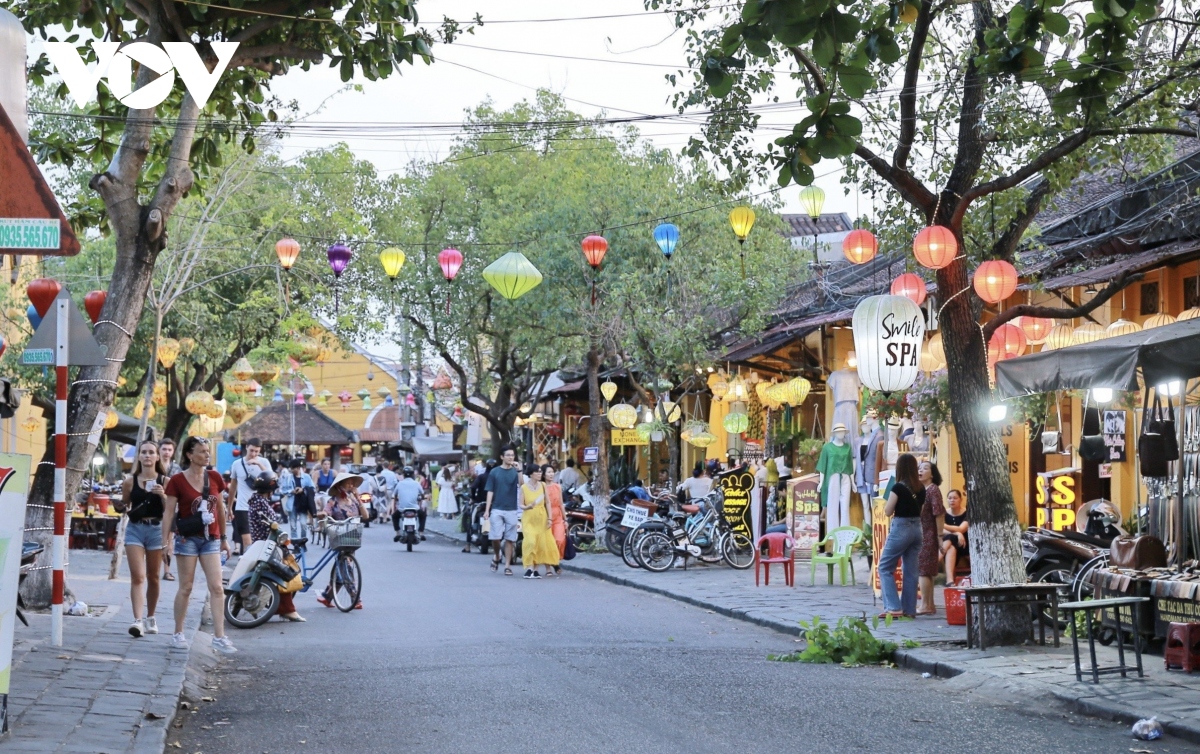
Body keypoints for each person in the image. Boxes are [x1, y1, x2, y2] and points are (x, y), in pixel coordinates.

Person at [162, 437, 237, 654]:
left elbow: (220, 509)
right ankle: (178, 632)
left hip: (211, 539)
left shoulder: (214, 477)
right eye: (202, 451)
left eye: (207, 451)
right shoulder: (177, 480)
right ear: (189, 455)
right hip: (187, 540)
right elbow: (169, 512)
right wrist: (165, 541)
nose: (207, 455)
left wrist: (224, 538)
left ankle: (219, 636)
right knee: (186, 587)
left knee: (216, 587)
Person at [119, 440, 167, 638]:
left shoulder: (166, 481)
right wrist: (120, 506)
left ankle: (151, 617)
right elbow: (124, 504)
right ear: (139, 456)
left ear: (157, 457)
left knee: (154, 577)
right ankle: (137, 620)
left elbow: (171, 510)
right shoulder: (130, 481)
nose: (147, 456)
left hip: (156, 529)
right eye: (144, 452)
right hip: (135, 529)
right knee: (138, 576)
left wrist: (163, 495)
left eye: (151, 452)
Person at [246, 471, 305, 622]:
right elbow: (272, 525)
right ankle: (288, 610)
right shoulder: (260, 502)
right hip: (268, 545)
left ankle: (282, 607)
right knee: (286, 573)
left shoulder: (256, 500)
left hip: (265, 544)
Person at [877, 453, 925, 620]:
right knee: (911, 570)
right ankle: (909, 609)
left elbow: (888, 511)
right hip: (917, 529)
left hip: (901, 528)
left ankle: (893, 607)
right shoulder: (921, 488)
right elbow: (921, 510)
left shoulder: (897, 488)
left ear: (899, 468)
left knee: (884, 567)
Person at [316, 471, 369, 609]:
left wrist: (358, 496)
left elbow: (366, 515)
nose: (351, 485)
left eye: (352, 483)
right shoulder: (333, 500)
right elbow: (326, 512)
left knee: (342, 566)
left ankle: (327, 596)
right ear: (340, 485)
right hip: (339, 536)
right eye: (348, 483)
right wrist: (322, 514)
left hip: (352, 537)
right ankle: (355, 597)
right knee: (346, 566)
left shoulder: (353, 500)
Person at [229, 439, 272, 556]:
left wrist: (259, 464)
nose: (253, 454)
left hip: (261, 506)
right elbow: (232, 488)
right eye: (251, 450)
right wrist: (229, 508)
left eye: (256, 451)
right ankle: (247, 569)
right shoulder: (237, 464)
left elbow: (273, 479)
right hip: (242, 507)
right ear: (246, 447)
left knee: (261, 541)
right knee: (247, 542)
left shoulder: (264, 462)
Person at [485, 445, 522, 576]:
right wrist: (487, 509)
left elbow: (522, 485)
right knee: (495, 537)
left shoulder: (515, 471)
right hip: (497, 508)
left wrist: (519, 471)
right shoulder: (494, 472)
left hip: (512, 509)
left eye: (512, 455)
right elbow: (490, 490)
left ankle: (507, 565)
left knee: (510, 539)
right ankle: (496, 555)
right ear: (502, 457)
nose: (511, 457)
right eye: (508, 455)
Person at [519, 464, 560, 578]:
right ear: (531, 474)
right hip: (529, 517)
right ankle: (528, 567)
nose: (539, 474)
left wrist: (550, 518)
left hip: (542, 517)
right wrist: (528, 507)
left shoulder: (542, 485)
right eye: (537, 472)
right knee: (530, 541)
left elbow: (548, 502)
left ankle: (535, 570)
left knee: (540, 543)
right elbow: (521, 505)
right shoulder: (524, 487)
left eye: (540, 472)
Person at [917, 460, 946, 616]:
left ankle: (925, 605)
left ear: (932, 474)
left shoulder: (932, 490)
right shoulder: (923, 490)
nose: (920, 470)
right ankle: (930, 604)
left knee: (923, 571)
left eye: (925, 468)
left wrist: (940, 536)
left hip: (928, 535)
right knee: (926, 571)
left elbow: (939, 513)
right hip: (923, 533)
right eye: (919, 468)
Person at [158, 438, 181, 582]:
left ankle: (167, 570)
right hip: (154, 506)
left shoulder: (177, 469)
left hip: (171, 507)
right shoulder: (153, 467)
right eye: (164, 449)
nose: (166, 452)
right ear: (159, 450)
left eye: (169, 450)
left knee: (169, 539)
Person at [277, 459, 316, 541]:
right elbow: (282, 490)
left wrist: (303, 490)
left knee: (303, 524)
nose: (291, 470)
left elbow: (313, 489)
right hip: (292, 503)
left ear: (298, 468)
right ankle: (295, 543)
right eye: (290, 468)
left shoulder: (306, 477)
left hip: (303, 504)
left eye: (292, 468)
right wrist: (291, 491)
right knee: (293, 525)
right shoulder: (288, 478)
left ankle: (303, 541)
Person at [941, 489, 969, 586]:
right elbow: (940, 531)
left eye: (955, 498)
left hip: (965, 544)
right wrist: (957, 533)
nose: (952, 500)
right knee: (952, 545)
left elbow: (962, 529)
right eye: (949, 498)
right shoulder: (944, 513)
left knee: (951, 539)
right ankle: (950, 581)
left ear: (960, 500)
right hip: (952, 544)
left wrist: (943, 525)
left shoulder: (967, 513)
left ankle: (936, 559)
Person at [391, 466, 423, 541]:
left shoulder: (400, 483)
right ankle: (421, 533)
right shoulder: (417, 483)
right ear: (412, 475)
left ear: (404, 475)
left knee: (394, 516)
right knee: (423, 515)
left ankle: (397, 533)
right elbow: (422, 494)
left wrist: (396, 500)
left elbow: (394, 495)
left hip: (402, 508)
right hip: (415, 508)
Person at [544, 465, 566, 570]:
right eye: (548, 472)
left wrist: (565, 519)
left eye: (552, 472)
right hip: (545, 517)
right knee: (548, 542)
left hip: (557, 516)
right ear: (543, 474)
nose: (551, 474)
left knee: (560, 540)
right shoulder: (541, 487)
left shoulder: (558, 487)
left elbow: (561, 504)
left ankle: (555, 560)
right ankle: (550, 565)